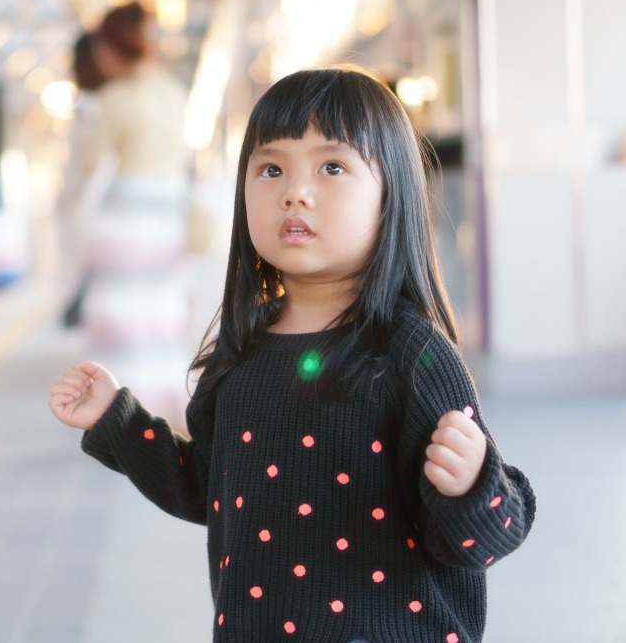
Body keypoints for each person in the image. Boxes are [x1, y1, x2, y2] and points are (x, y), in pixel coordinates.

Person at [49, 64, 536, 642]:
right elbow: (205, 487)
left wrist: (472, 483)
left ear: (392, 197)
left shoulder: (412, 355)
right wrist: (117, 419)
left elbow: (483, 540)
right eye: (271, 169)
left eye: (332, 167)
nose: (294, 192)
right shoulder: (242, 350)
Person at [75, 0, 193, 428]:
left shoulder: (113, 97)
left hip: (125, 219)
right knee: (161, 312)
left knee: (122, 316)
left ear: (112, 47)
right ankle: (167, 408)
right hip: (168, 217)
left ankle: (122, 411)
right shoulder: (174, 91)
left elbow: (94, 164)